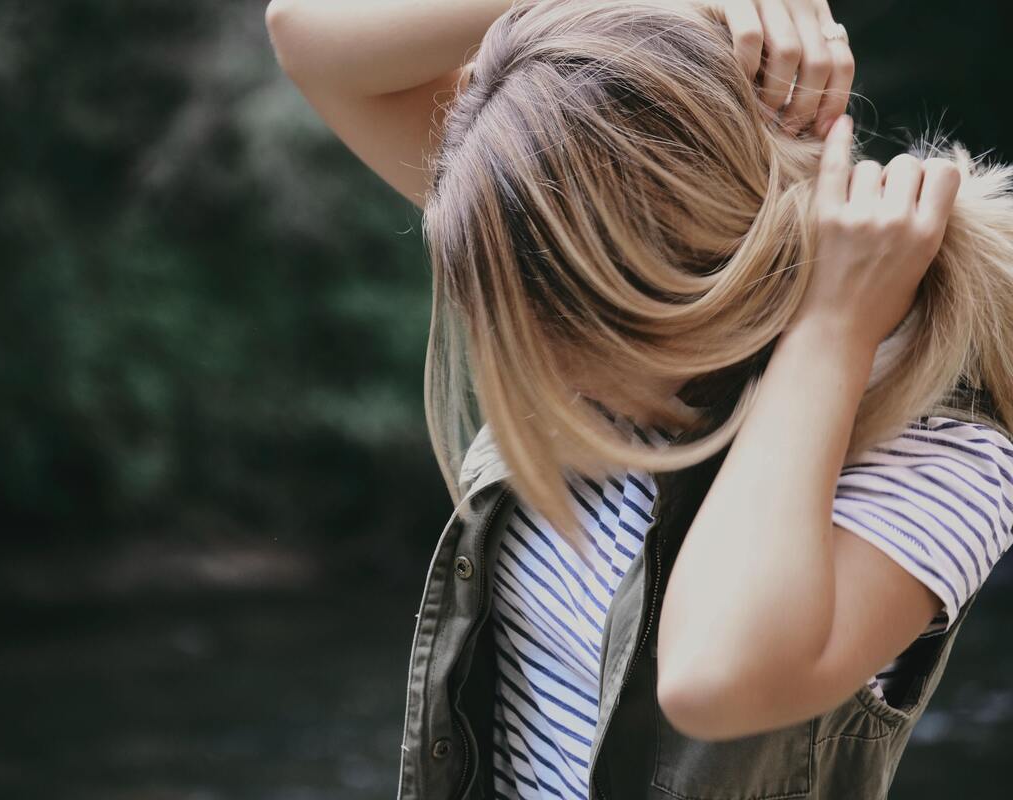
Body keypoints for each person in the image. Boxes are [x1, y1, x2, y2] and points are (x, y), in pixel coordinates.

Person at [265, 1, 1013, 797]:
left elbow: (712, 679)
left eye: (550, 333)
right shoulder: (559, 249)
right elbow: (307, 37)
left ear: (654, 284)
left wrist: (830, 329)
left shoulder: (939, 444)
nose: (539, 372)